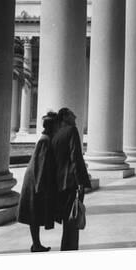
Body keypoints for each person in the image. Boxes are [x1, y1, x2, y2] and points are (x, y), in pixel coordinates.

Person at [17, 111, 58, 252]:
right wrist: (40, 186)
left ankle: (36, 244)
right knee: (34, 213)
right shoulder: (45, 140)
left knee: (35, 214)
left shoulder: (46, 138)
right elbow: (40, 164)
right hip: (35, 180)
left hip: (36, 179)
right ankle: (36, 244)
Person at [51, 107, 91, 251]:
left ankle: (66, 248)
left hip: (60, 183)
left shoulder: (56, 135)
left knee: (68, 220)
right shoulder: (71, 131)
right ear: (66, 117)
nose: (76, 117)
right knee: (73, 219)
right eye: (73, 115)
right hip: (71, 182)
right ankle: (70, 250)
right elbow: (76, 158)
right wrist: (81, 182)